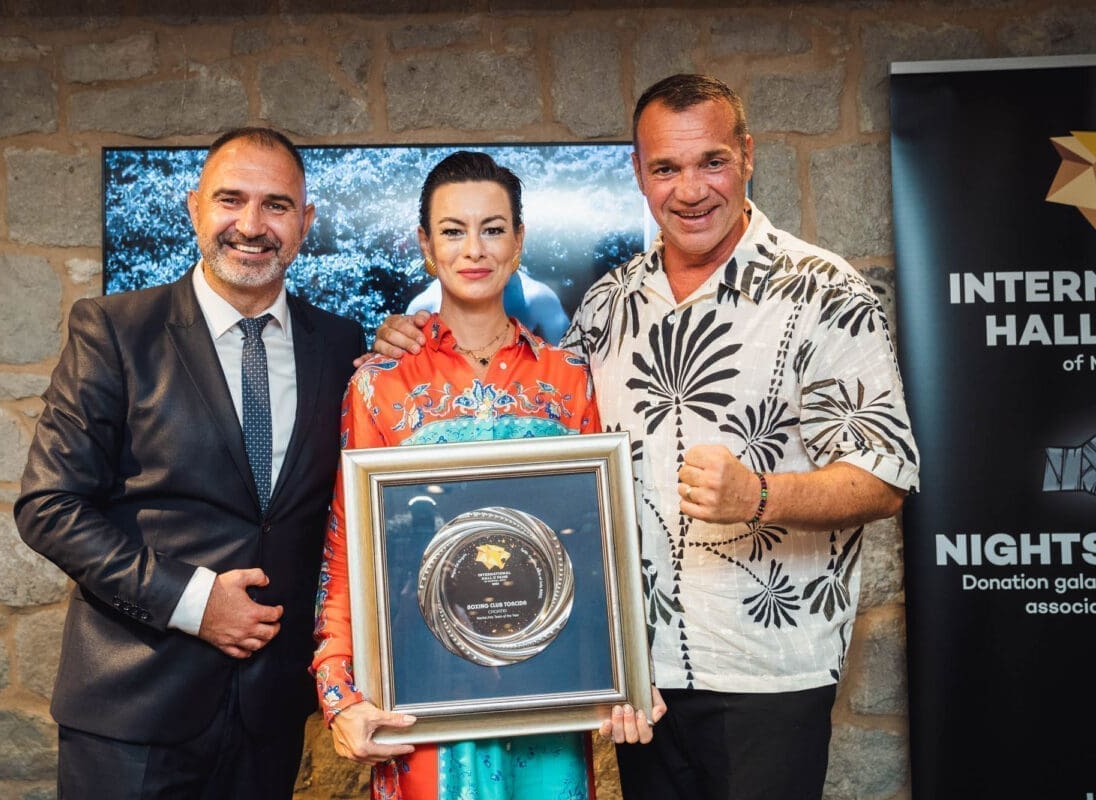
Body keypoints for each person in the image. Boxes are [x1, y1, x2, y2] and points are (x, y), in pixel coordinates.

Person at [368, 75, 920, 800]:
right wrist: (411, 337)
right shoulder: (609, 304)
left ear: (748, 156)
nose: (690, 190)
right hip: (640, 680)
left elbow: (884, 477)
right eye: (666, 168)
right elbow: (539, 425)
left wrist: (760, 495)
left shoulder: (824, 291)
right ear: (638, 173)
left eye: (711, 162)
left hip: (765, 671)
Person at [15, 127, 364, 799]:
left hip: (269, 718)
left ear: (306, 220)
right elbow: (48, 506)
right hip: (132, 710)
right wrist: (194, 602)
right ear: (194, 207)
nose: (251, 225)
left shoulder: (339, 342)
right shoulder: (114, 331)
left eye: (276, 205)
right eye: (230, 199)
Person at [312, 150, 664, 800]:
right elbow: (346, 555)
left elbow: (602, 547)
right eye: (453, 230)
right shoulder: (378, 386)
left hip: (548, 689)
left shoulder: (570, 380)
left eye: (493, 228)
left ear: (519, 240)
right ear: (425, 244)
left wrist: (626, 672)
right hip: (421, 689)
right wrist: (338, 691)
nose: (473, 249)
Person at [405, 268, 572, 343]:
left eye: (493, 231)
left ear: (517, 242)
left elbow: (568, 372)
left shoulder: (539, 300)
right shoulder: (425, 307)